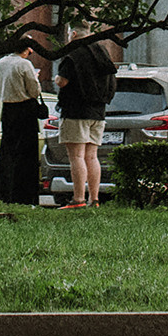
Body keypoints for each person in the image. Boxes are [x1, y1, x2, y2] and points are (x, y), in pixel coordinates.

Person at [54, 29, 116, 209]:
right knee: (92, 156)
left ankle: (78, 199)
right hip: (98, 112)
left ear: (73, 33)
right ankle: (94, 199)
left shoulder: (73, 53)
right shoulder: (102, 51)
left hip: (76, 111)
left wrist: (58, 78)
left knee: (77, 156)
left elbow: (62, 81)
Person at [0, 40, 50, 208]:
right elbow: (34, 91)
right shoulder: (25, 64)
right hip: (25, 109)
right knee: (27, 155)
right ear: (26, 49)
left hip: (8, 109)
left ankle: (6, 194)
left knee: (8, 153)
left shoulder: (0, 63)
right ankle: (25, 197)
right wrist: (36, 79)